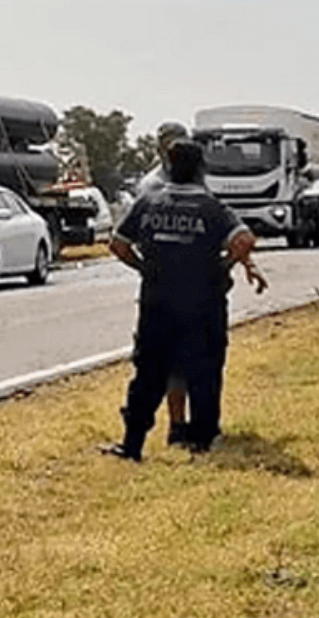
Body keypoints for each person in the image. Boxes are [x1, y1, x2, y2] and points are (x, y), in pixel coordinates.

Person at [101, 140, 258, 461]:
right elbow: (244, 239)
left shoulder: (148, 202)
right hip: (203, 306)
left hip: (157, 303)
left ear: (169, 167)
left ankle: (132, 444)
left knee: (148, 374)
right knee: (204, 372)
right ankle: (201, 441)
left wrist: (144, 267)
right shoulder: (212, 207)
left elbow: (117, 244)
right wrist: (222, 267)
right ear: (202, 169)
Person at [135, 122, 267, 447]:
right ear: (162, 149)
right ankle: (181, 426)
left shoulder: (197, 187)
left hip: (177, 289)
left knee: (189, 361)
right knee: (180, 364)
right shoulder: (152, 187)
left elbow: (220, 233)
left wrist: (245, 263)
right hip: (183, 291)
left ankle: (193, 428)